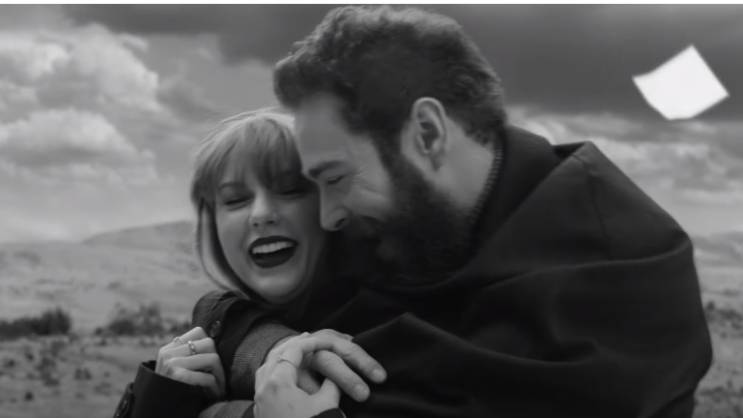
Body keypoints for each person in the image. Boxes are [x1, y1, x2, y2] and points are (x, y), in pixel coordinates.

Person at [195, 5, 713, 418]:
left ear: (427, 133)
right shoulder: (414, 225)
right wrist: (269, 348)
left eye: (335, 178)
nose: (328, 217)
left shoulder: (620, 281)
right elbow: (239, 308)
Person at [113, 109, 385, 418]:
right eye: (235, 200)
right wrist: (160, 398)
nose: (261, 214)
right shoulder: (216, 333)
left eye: (290, 190)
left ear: (332, 206)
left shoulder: (379, 338)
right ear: (213, 225)